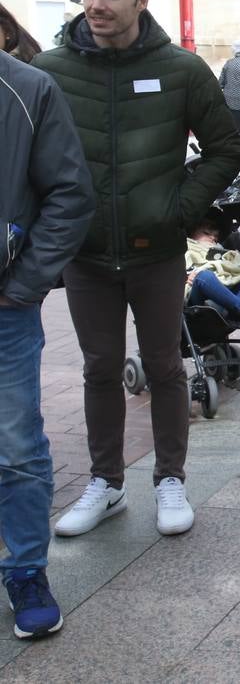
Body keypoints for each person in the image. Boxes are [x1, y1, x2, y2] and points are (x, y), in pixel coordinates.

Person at [37, 0, 240, 539]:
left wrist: (176, 209)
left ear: (141, 0)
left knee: (164, 366)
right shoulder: (53, 69)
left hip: (157, 249)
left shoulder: (181, 69)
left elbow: (226, 150)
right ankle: (106, 484)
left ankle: (170, 478)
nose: (97, 5)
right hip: (88, 254)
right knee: (100, 368)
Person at [0, 46, 95, 638]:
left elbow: (69, 192)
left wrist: (25, 283)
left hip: (5, 307)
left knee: (14, 444)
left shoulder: (28, 89)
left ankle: (26, 570)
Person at [183, 218, 240, 322]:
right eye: (206, 233)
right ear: (192, 232)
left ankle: (232, 310)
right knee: (204, 276)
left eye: (215, 238)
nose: (212, 237)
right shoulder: (184, 248)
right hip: (202, 291)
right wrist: (185, 277)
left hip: (228, 289)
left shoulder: (220, 252)